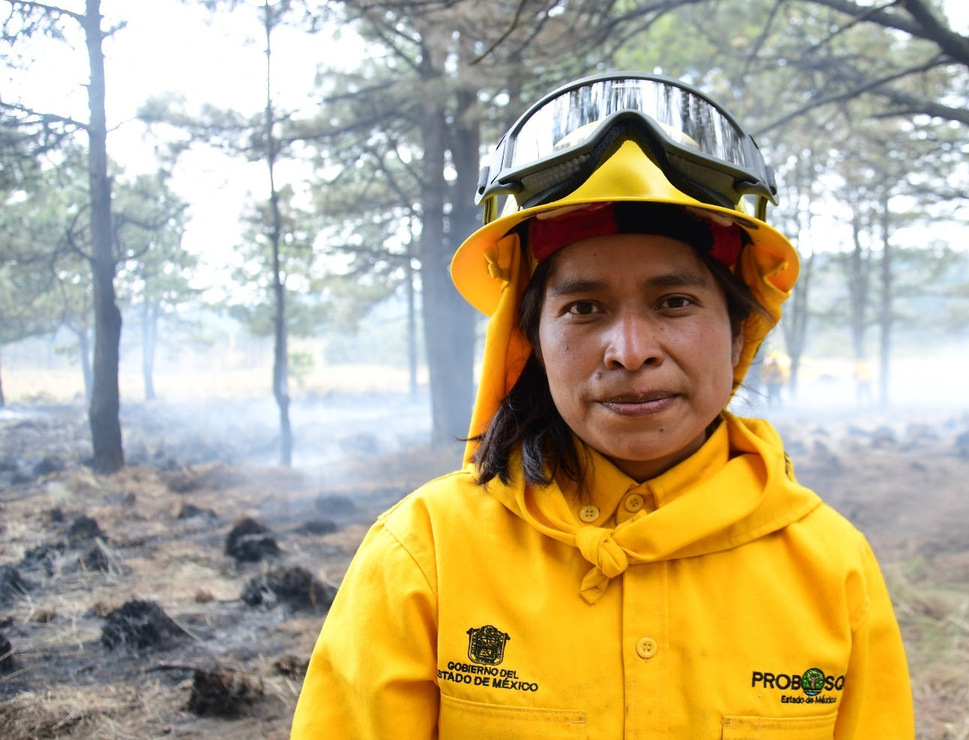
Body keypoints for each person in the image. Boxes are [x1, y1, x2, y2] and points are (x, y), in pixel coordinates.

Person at [292, 72, 913, 738]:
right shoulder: (425, 555)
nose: (630, 350)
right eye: (583, 308)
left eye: (673, 302)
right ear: (528, 339)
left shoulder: (830, 567)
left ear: (740, 331)